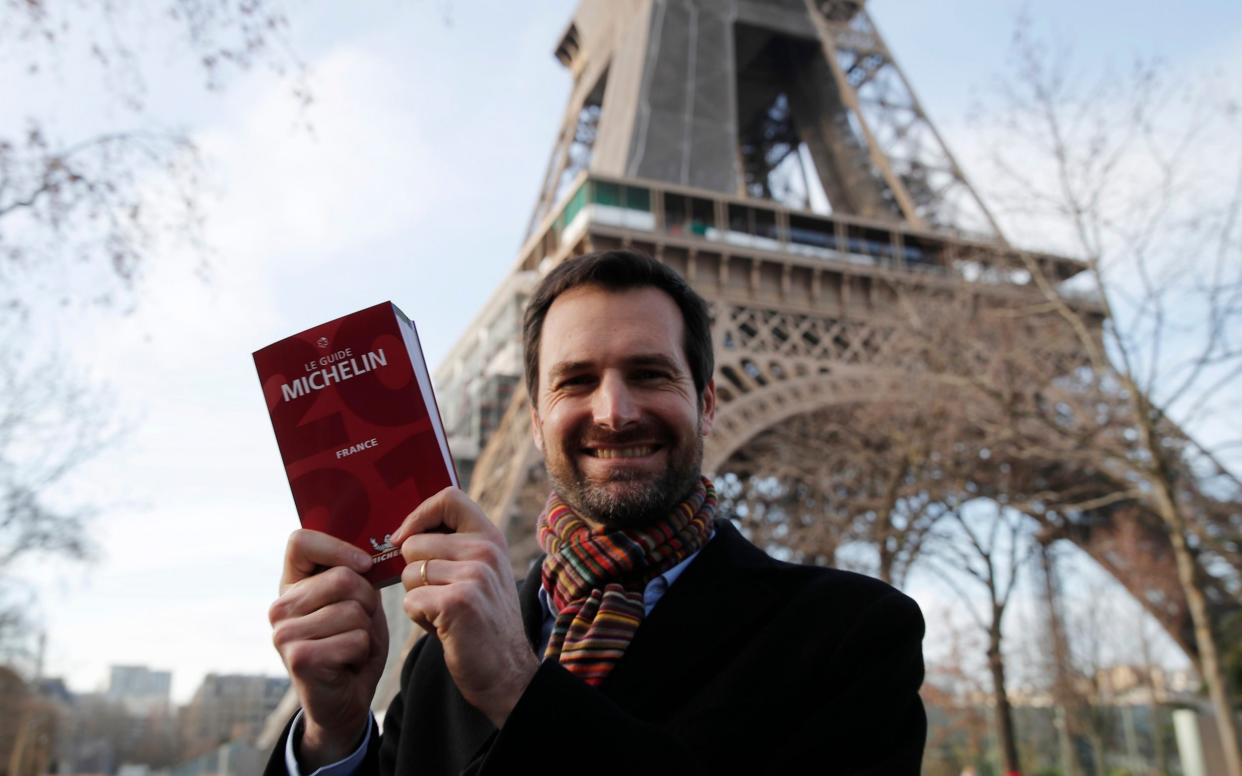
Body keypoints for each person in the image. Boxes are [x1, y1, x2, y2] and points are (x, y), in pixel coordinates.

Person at [265, 250, 927, 774]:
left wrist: (518, 689)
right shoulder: (437, 661)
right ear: (534, 421)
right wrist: (333, 733)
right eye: (577, 380)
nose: (614, 412)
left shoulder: (850, 634)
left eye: (649, 374)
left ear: (708, 402)